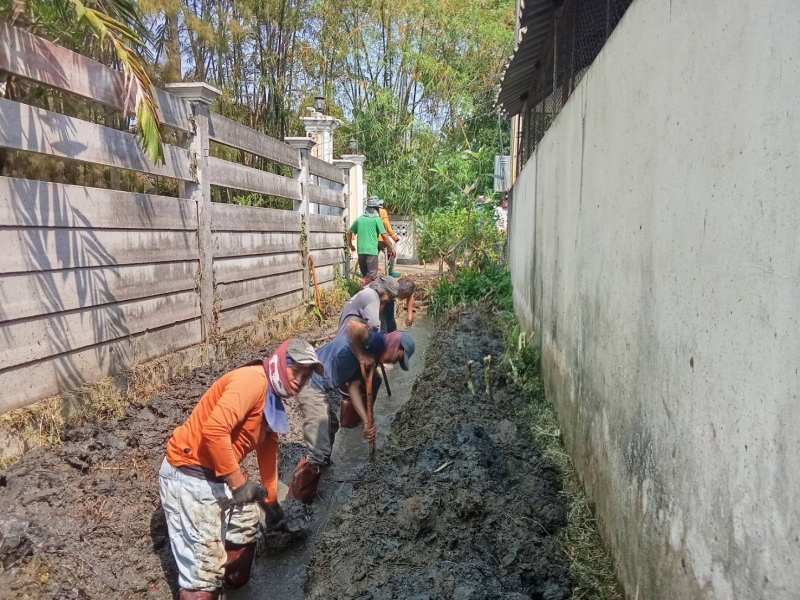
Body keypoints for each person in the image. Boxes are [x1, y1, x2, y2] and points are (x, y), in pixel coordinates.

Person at [158, 339, 324, 599]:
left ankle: (233, 590)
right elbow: (214, 430)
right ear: (280, 362)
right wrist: (238, 483)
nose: (299, 381)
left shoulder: (272, 399)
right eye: (296, 371)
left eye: (306, 377)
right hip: (190, 474)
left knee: (247, 525)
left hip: (219, 474)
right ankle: (204, 588)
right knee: (203, 576)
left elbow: (268, 449)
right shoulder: (253, 380)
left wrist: (272, 506)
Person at [287, 323, 416, 504]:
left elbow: (353, 388)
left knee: (332, 426)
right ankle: (297, 501)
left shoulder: (375, 356)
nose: (395, 362)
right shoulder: (379, 342)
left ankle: (322, 468)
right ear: (396, 345)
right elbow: (353, 327)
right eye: (399, 358)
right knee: (319, 448)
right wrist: (362, 355)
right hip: (310, 383)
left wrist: (366, 423)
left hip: (320, 387)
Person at [347, 197, 395, 281]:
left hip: (361, 252)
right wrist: (391, 248)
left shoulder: (359, 219)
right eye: (378, 209)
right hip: (371, 252)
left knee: (365, 276)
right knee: (371, 277)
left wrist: (350, 245)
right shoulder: (376, 220)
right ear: (375, 210)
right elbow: (384, 236)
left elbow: (349, 232)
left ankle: (364, 288)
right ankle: (367, 289)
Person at [375, 197, 402, 278]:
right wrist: (394, 236)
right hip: (382, 239)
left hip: (373, 238)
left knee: (372, 255)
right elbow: (386, 224)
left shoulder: (370, 212)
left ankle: (368, 271)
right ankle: (390, 272)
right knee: (391, 253)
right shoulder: (383, 211)